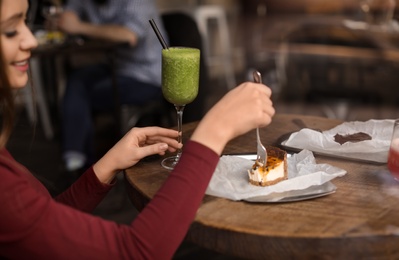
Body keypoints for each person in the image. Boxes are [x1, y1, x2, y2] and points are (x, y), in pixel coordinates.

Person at [0, 0, 275, 258]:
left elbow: (47, 224)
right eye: (11, 30)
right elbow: (135, 251)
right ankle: (73, 155)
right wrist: (214, 130)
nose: (31, 40)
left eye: (24, 23)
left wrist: (106, 165)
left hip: (143, 77)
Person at [57, 0, 168, 173]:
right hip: (117, 66)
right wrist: (66, 18)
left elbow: (128, 35)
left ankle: (89, 163)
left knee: (84, 94)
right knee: (77, 80)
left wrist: (78, 26)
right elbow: (69, 11)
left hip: (146, 75)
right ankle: (75, 156)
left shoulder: (137, 2)